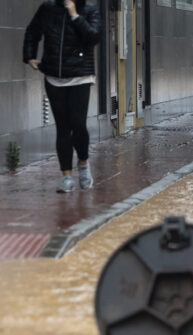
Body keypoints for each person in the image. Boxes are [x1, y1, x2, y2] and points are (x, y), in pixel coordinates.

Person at [23, 0, 100, 193]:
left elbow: (93, 37)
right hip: (54, 77)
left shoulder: (89, 10)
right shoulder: (47, 8)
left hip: (80, 76)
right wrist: (29, 55)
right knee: (63, 128)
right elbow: (33, 31)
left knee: (78, 123)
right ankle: (66, 177)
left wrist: (75, 16)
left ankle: (83, 163)